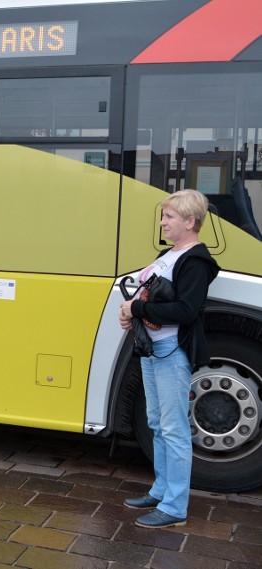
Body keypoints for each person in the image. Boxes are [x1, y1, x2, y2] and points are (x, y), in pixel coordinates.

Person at [119, 189, 219, 529]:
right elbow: (145, 295)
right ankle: (161, 490)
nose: (162, 222)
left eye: (169, 217)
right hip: (153, 350)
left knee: (174, 429)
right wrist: (129, 312)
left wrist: (138, 308)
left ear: (190, 221)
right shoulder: (169, 254)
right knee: (158, 424)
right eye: (164, 216)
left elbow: (186, 310)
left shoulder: (196, 261)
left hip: (171, 353)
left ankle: (174, 506)